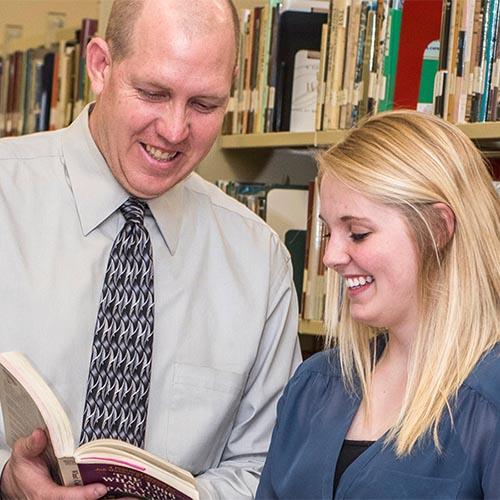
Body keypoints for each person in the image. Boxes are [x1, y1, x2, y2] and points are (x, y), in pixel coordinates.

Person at [0, 0, 302, 498]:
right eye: (153, 93)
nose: (175, 130)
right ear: (100, 66)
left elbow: (264, 463)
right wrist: (6, 479)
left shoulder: (258, 259)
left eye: (205, 105)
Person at [256, 110, 500, 499]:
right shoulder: (314, 387)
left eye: (357, 233)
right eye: (327, 231)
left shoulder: (488, 401)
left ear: (438, 228)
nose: (331, 256)